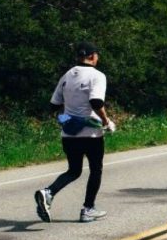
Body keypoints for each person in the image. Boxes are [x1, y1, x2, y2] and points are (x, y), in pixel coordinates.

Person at [35, 41, 116, 223]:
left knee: (74, 170)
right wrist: (107, 122)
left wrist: (67, 118)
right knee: (96, 170)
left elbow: (53, 105)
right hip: (91, 134)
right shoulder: (97, 76)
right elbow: (96, 102)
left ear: (79, 56)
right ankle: (88, 209)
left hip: (69, 134)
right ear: (93, 56)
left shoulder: (67, 76)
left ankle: (48, 192)